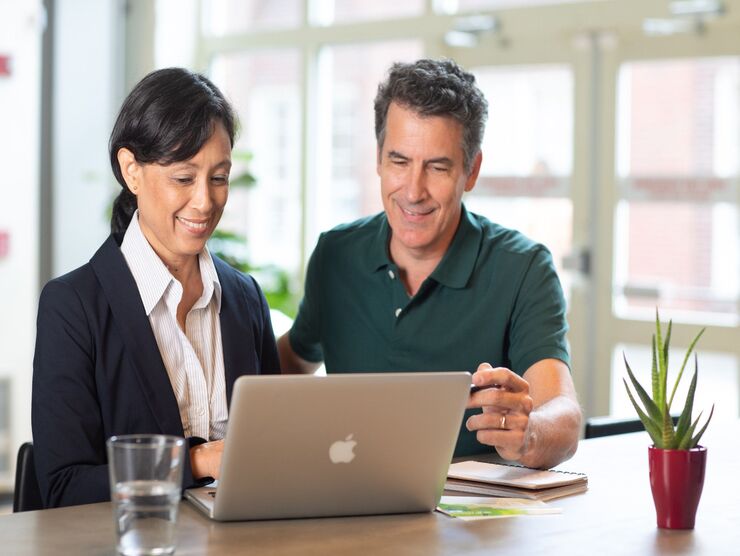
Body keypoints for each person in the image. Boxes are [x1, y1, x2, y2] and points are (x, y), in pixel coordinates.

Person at [278, 59, 581, 469]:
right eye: (399, 162)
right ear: (380, 160)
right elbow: (293, 360)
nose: (414, 191)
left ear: (471, 171)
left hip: (468, 521)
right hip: (348, 501)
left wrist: (530, 434)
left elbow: (562, 416)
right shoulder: (336, 253)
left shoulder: (523, 268)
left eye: (437, 167)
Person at [32, 68, 280, 508]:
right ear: (132, 171)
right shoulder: (73, 307)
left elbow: (278, 451)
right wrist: (197, 461)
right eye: (184, 179)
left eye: (218, 178)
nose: (205, 201)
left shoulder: (245, 299)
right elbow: (63, 487)